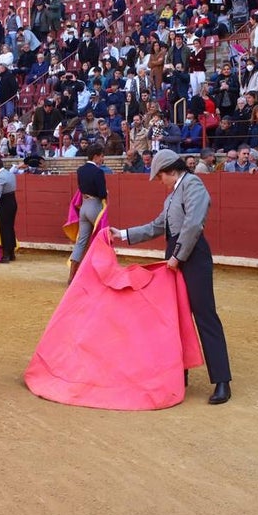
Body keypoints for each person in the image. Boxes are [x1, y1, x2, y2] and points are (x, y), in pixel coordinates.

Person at [108, 149, 232, 405]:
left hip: (192, 256)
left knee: (204, 314)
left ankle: (222, 381)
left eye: (160, 177)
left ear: (170, 171)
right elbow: (156, 226)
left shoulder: (193, 184)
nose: (159, 182)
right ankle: (179, 373)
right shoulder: (172, 196)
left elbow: (193, 224)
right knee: (175, 316)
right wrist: (122, 234)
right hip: (175, 256)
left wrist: (178, 256)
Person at [70, 145, 108, 284]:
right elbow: (102, 193)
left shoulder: (80, 170)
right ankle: (100, 275)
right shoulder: (98, 172)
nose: (103, 159)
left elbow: (81, 188)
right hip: (95, 206)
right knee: (102, 240)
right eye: (102, 156)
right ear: (96, 156)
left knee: (81, 242)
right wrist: (106, 194)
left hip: (84, 207)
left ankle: (71, 277)